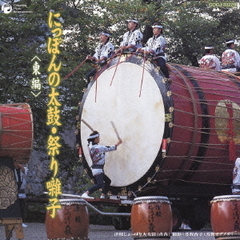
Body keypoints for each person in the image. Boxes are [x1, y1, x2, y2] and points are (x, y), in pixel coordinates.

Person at [81, 131, 122, 199]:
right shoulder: (98, 148)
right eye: (98, 138)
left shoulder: (90, 146)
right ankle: (86, 193)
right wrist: (118, 143)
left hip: (97, 169)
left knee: (108, 181)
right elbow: (111, 148)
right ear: (95, 139)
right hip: (98, 169)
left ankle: (103, 195)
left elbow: (94, 143)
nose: (99, 139)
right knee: (99, 184)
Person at [14, 163, 28, 228]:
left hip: (21, 191)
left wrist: (20, 166)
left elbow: (25, 172)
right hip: (13, 191)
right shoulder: (12, 170)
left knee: (21, 207)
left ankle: (21, 221)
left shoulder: (24, 169)